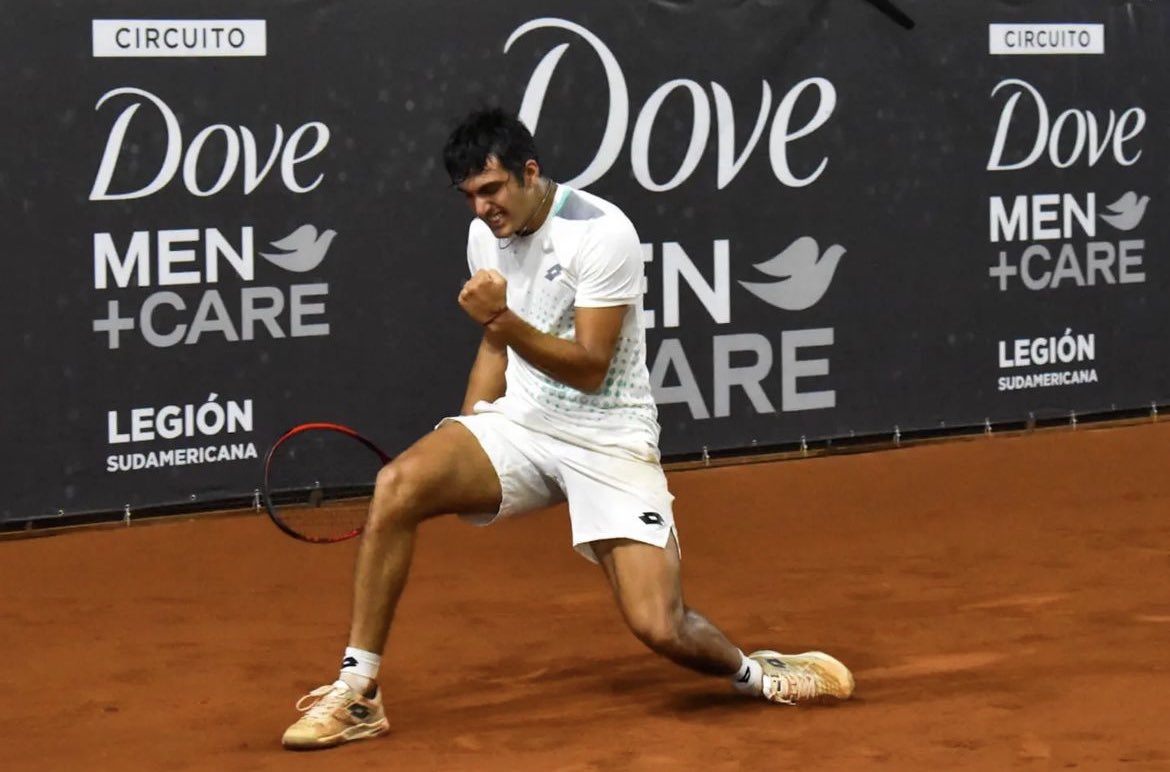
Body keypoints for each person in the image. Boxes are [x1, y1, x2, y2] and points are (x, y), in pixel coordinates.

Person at [281, 107, 854, 750]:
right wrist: (472, 431)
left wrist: (500, 320)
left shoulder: (602, 233)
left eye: (492, 190)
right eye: (469, 195)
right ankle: (358, 693)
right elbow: (496, 347)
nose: (481, 208)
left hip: (607, 437)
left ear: (530, 172)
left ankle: (754, 673)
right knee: (399, 484)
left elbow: (588, 367)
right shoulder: (484, 237)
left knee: (659, 627)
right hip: (522, 425)